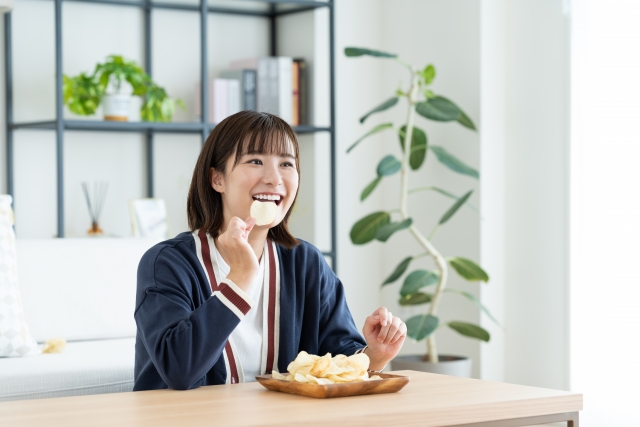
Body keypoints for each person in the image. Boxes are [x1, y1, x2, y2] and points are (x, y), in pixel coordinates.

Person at [133, 111, 407, 390]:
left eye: (286, 164)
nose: (274, 179)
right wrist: (240, 277)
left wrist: (374, 355)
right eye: (255, 161)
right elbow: (178, 370)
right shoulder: (166, 263)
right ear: (217, 179)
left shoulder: (306, 263)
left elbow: (338, 360)